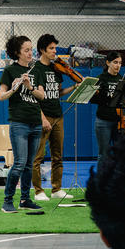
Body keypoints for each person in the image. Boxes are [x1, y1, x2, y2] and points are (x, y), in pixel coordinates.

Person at [0, 35, 49, 213]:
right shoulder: (10, 70)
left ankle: (25, 199)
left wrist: (30, 87)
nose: (30, 53)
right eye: (26, 50)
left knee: (29, 164)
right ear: (17, 52)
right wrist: (14, 88)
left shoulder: (37, 70)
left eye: (31, 49)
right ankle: (7, 200)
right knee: (19, 163)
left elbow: (42, 96)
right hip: (19, 123)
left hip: (35, 122)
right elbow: (1, 96)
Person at [31, 34, 80, 201]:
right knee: (38, 156)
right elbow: (34, 98)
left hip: (58, 116)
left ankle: (56, 189)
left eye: (55, 48)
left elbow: (58, 92)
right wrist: (43, 118)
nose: (54, 51)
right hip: (43, 116)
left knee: (57, 155)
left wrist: (74, 86)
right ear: (42, 50)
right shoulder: (36, 69)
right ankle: (38, 191)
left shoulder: (56, 68)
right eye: (51, 48)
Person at [91, 51, 124, 169]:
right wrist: (105, 97)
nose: (118, 65)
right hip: (103, 121)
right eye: (115, 62)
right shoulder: (101, 78)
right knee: (103, 154)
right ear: (108, 63)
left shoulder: (122, 79)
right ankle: (101, 182)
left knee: (120, 154)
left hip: (119, 121)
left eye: (120, 63)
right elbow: (92, 99)